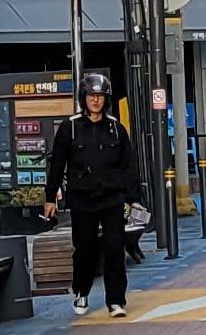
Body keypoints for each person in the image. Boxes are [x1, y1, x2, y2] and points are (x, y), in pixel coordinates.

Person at [40, 71, 143, 319]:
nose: (95, 100)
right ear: (83, 98)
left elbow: (128, 167)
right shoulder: (70, 128)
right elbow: (57, 165)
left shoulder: (116, 129)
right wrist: (50, 197)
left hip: (112, 198)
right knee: (84, 249)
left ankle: (116, 301)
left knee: (114, 248)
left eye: (100, 96)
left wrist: (134, 199)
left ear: (106, 99)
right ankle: (81, 291)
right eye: (91, 95)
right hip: (82, 198)